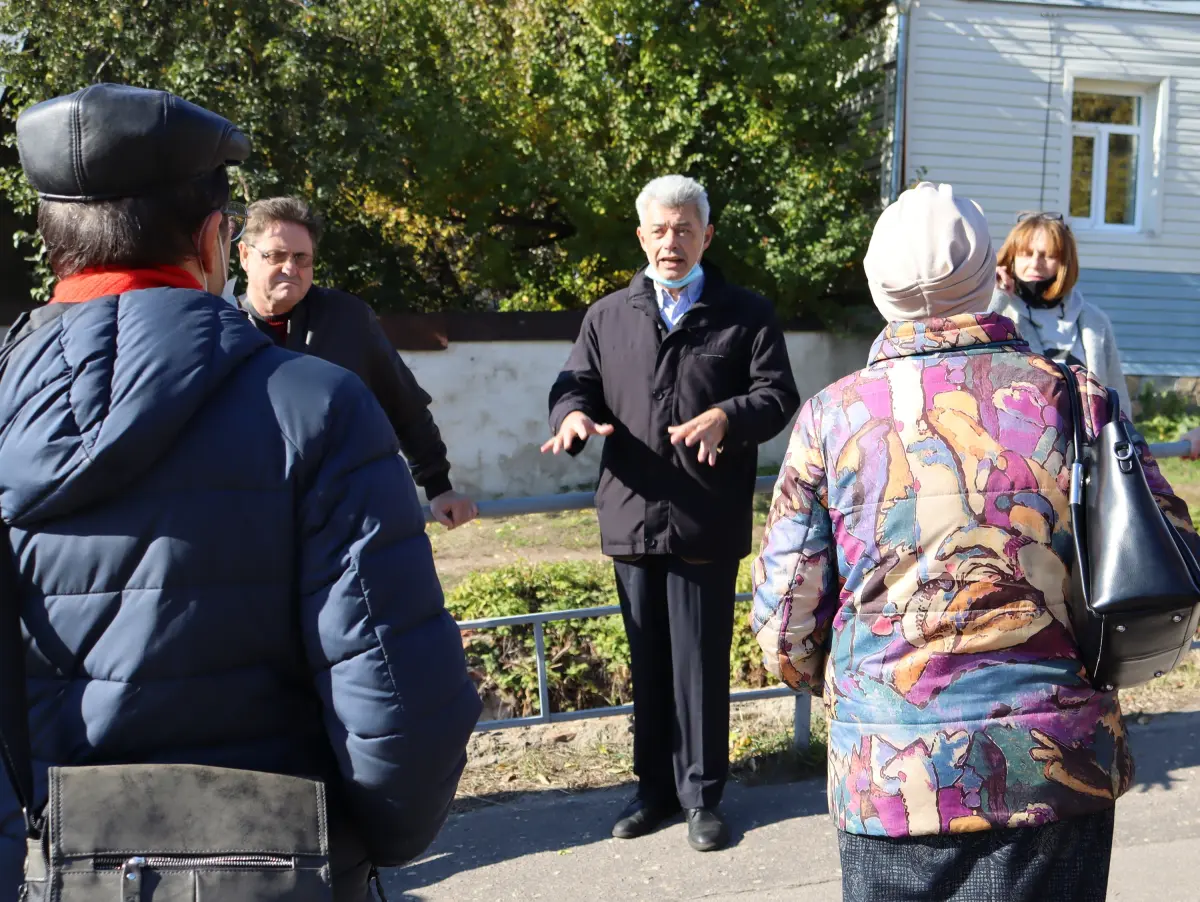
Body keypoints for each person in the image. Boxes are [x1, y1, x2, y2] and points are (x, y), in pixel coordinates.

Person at [0, 84, 481, 900]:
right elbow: (402, 710)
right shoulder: (316, 407)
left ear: (52, 240)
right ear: (216, 240)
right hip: (282, 866)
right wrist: (373, 842)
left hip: (61, 872)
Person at [751, 182, 1197, 901]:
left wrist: (849, 684)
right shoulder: (1073, 395)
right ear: (990, 274)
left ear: (877, 284)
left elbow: (783, 632)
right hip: (1056, 764)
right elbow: (1168, 547)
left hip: (894, 770)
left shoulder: (830, 419)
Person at [543, 175, 800, 852]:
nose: (671, 242)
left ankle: (703, 797)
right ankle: (651, 791)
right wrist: (572, 417)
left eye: (685, 229)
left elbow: (778, 396)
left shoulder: (744, 313)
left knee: (699, 664)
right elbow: (577, 384)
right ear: (641, 237)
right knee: (648, 662)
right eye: (659, 230)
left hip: (703, 516)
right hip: (631, 513)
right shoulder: (607, 315)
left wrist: (727, 415)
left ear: (706, 236)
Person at [237, 196, 477, 530]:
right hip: (250, 519)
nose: (290, 268)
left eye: (301, 258)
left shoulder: (347, 319)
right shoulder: (218, 327)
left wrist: (439, 487)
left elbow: (404, 404)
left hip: (339, 515)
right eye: (276, 255)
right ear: (245, 256)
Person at [990, 211, 1132, 416]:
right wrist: (997, 295)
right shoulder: (1000, 313)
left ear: (1065, 262)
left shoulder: (1093, 320)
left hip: (1085, 445)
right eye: (1026, 254)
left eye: (1048, 256)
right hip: (1020, 443)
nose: (1035, 263)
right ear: (1011, 257)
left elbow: (1117, 395)